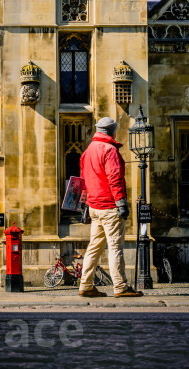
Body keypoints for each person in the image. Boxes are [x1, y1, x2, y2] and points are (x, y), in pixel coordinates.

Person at [77, 116, 142, 298]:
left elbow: (84, 181)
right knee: (115, 247)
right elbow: (114, 178)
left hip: (93, 207)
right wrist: (121, 203)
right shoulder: (109, 150)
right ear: (112, 131)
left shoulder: (88, 151)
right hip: (109, 206)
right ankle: (120, 286)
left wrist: (84, 204)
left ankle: (86, 285)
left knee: (94, 247)